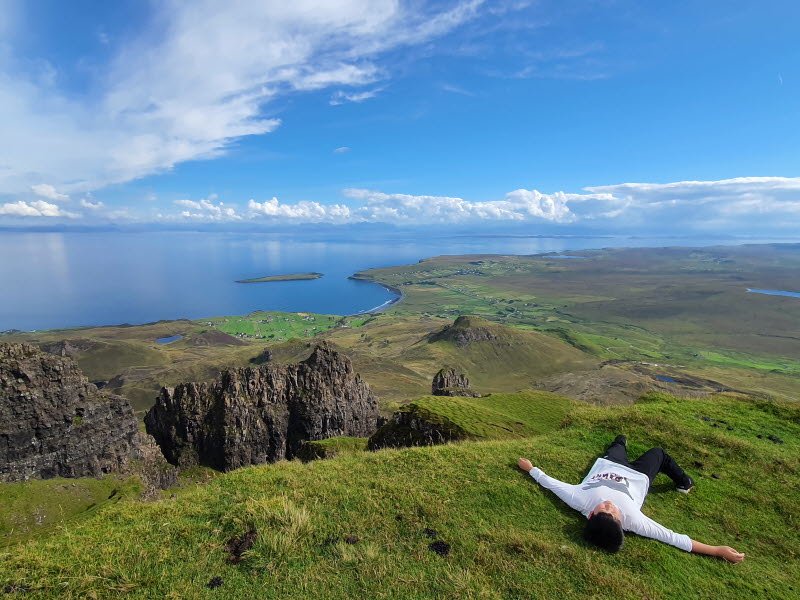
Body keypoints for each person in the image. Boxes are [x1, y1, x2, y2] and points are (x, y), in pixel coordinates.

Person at [517, 435, 745, 563]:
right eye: (613, 513)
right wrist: (717, 551)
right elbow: (673, 538)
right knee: (659, 452)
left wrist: (530, 469)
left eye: (601, 509)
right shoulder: (634, 520)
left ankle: (620, 443)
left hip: (608, 464)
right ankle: (685, 483)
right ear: (620, 522)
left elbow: (551, 483)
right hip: (639, 475)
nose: (608, 505)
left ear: (590, 515)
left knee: (616, 445)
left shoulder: (580, 500)